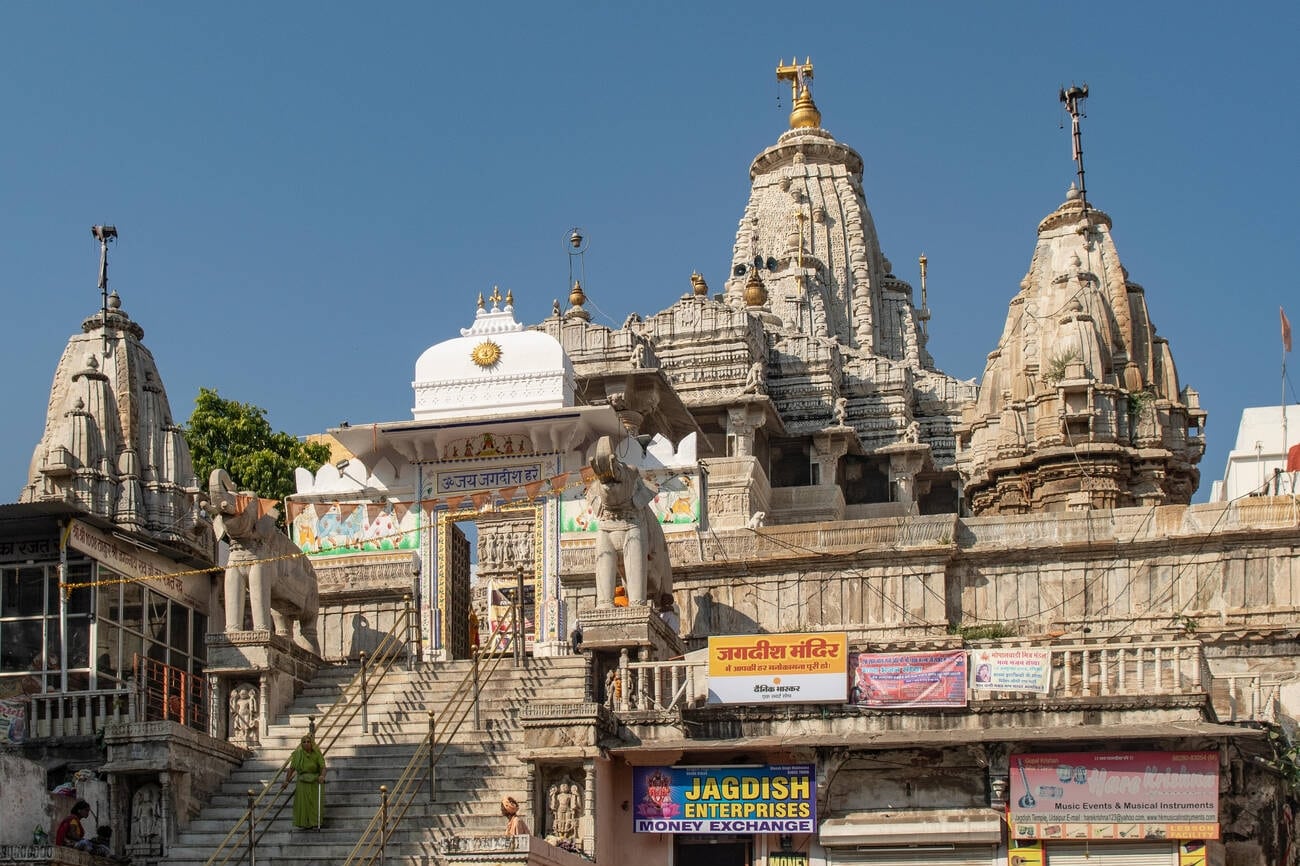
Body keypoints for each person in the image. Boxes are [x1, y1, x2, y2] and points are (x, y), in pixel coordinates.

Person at [282, 734, 326, 829]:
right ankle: (305, 824)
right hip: (302, 782)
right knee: (303, 804)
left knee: (314, 803)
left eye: (308, 742)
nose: (306, 744)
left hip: (315, 781)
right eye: (304, 742)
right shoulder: (298, 754)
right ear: (301, 744)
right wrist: (286, 781)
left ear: (312, 743)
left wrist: (322, 776)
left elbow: (323, 767)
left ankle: (315, 823)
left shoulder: (317, 753)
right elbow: (291, 769)